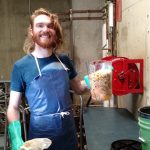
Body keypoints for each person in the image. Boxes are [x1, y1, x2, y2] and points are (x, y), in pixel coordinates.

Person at [7, 8, 88, 150]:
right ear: (31, 31)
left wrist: (94, 79)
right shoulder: (21, 66)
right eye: (40, 25)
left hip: (68, 134)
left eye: (50, 26)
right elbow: (13, 107)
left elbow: (79, 89)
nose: (45, 29)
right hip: (39, 138)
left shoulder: (64, 60)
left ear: (54, 32)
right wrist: (15, 137)